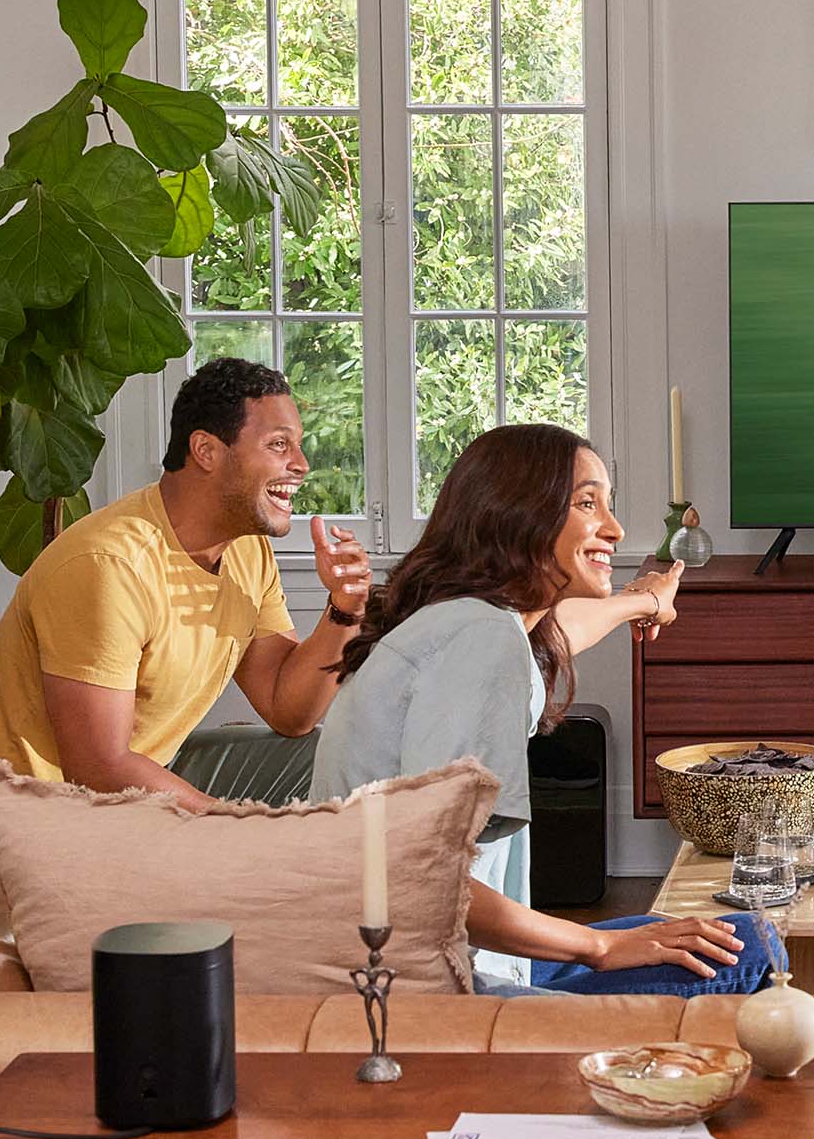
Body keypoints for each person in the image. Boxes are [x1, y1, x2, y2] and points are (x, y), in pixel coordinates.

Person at [312, 423, 752, 995]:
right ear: (518, 513)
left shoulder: (470, 621)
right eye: (587, 503)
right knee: (743, 952)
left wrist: (643, 600)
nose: (614, 529)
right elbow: (420, 876)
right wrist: (599, 945)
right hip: (413, 990)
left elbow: (561, 633)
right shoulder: (482, 640)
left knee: (727, 940)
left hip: (443, 957)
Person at [0, 358, 371, 801]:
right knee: (247, 834)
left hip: (121, 785)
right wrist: (233, 827)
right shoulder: (109, 563)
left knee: (325, 754)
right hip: (2, 816)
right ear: (206, 450)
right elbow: (98, 766)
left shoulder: (246, 551)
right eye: (279, 444)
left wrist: (344, 609)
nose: (302, 464)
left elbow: (288, 711)